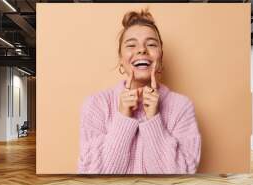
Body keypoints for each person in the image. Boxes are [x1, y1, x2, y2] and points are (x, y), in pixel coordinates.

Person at [78, 8, 201, 174]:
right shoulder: (95, 104)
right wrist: (122, 117)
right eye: (131, 45)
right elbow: (92, 177)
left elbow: (181, 177)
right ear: (121, 60)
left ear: (161, 58)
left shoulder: (181, 106)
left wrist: (154, 120)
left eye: (151, 44)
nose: (142, 50)